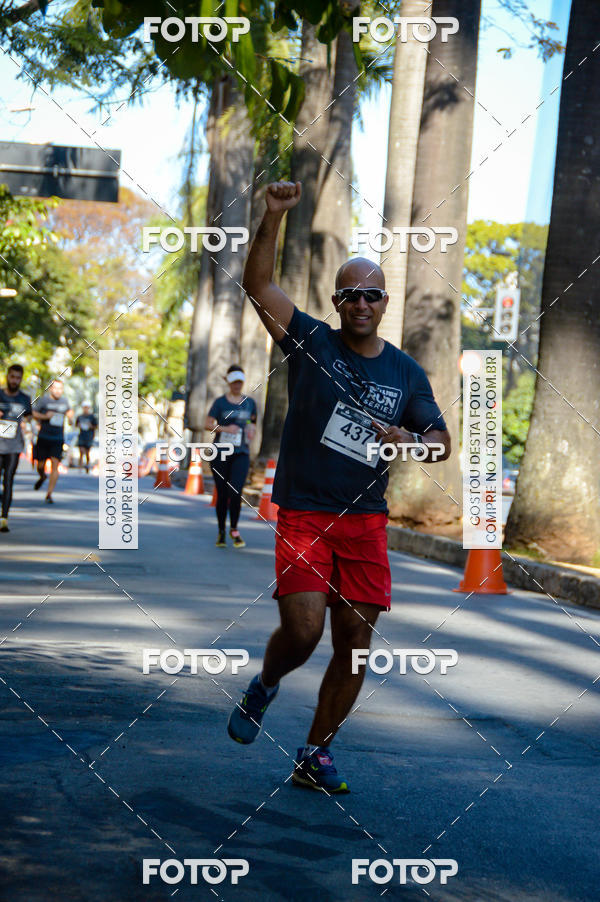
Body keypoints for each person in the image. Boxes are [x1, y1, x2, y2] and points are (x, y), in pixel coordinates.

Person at [227, 181, 451, 793]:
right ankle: (265, 685)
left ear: (384, 303)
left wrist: (412, 443)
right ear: (336, 300)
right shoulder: (310, 342)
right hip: (303, 514)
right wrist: (271, 216)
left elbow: (440, 439)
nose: (360, 303)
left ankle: (314, 755)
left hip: (365, 524)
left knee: (354, 644)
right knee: (303, 633)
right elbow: (258, 286)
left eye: (371, 295)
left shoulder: (405, 371)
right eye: (349, 294)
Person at [205, 366, 257, 548]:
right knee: (222, 493)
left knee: (236, 491)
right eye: (234, 382)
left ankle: (234, 529)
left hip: (241, 453)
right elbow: (207, 423)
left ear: (243, 382)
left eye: (240, 382)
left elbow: (252, 420)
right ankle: (221, 531)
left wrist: (251, 429)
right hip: (221, 453)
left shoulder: (250, 403)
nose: (237, 385)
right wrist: (225, 429)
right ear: (228, 382)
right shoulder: (220, 403)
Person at [0, 364, 32, 532]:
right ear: (7, 376)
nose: (14, 380)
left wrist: (27, 427)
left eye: (18, 378)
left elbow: (28, 418)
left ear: (21, 379)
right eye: (12, 377)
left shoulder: (24, 399)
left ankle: (4, 518)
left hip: (14, 446)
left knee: (8, 481)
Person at [32, 379, 73, 504]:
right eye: (56, 388)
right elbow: (33, 413)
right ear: (50, 389)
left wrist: (71, 416)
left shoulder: (64, 401)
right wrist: (45, 416)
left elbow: (69, 411)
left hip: (58, 438)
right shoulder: (44, 400)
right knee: (40, 465)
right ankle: (42, 476)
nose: (58, 391)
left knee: (55, 465)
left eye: (60, 388)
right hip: (44, 437)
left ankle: (49, 493)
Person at [75, 402, 97, 472]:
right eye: (84, 407)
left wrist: (91, 426)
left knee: (87, 453)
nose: (86, 409)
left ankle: (87, 466)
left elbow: (96, 426)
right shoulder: (80, 416)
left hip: (89, 436)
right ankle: (80, 468)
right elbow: (76, 424)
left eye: (87, 407)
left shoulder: (92, 417)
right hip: (81, 436)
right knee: (81, 451)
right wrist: (78, 425)